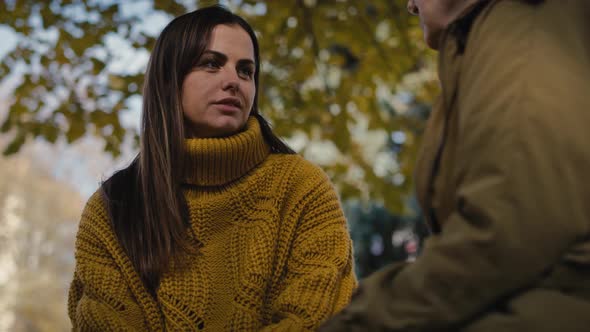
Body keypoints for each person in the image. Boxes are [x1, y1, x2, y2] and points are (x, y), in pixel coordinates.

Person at [67, 5, 356, 331]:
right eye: (211, 64)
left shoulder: (301, 188)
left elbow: (318, 318)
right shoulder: (114, 209)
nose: (234, 81)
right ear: (169, 79)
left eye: (246, 71)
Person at [319, 0, 590, 331]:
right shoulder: (486, 41)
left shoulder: (520, 27)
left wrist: (357, 322)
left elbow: (510, 227)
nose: (409, 5)